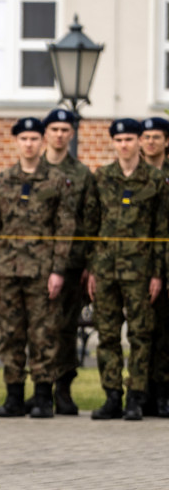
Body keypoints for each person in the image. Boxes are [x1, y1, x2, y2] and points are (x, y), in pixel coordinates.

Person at [0, 117, 74, 419]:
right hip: (7, 272)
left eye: (35, 138)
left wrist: (58, 270)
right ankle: (14, 397)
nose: (29, 144)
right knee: (10, 335)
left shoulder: (57, 181)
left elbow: (65, 228)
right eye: (24, 138)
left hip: (42, 273)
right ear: (16, 142)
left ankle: (43, 397)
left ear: (42, 142)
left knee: (43, 335)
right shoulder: (3, 180)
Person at [84, 118, 168, 420]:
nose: (125, 145)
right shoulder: (102, 177)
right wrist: (91, 269)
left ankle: (136, 396)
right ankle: (112, 396)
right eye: (119, 140)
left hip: (140, 272)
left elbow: (161, 231)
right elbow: (91, 226)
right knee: (106, 335)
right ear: (113, 143)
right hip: (106, 271)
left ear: (138, 142)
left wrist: (157, 273)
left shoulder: (155, 181)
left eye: (130, 139)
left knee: (141, 335)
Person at [37, 108, 97, 415]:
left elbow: (90, 222)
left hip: (72, 266)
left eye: (65, 130)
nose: (60, 135)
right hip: (34, 265)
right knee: (38, 329)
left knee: (65, 329)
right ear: (45, 133)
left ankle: (63, 389)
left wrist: (90, 265)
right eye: (54, 129)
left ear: (71, 134)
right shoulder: (32, 170)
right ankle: (40, 389)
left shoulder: (82, 175)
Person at [140, 116, 169, 417]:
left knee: (165, 333)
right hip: (138, 266)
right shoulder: (130, 175)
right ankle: (143, 392)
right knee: (142, 331)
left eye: (156, 136)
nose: (150, 141)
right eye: (146, 136)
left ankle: (163, 394)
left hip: (166, 265)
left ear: (166, 141)